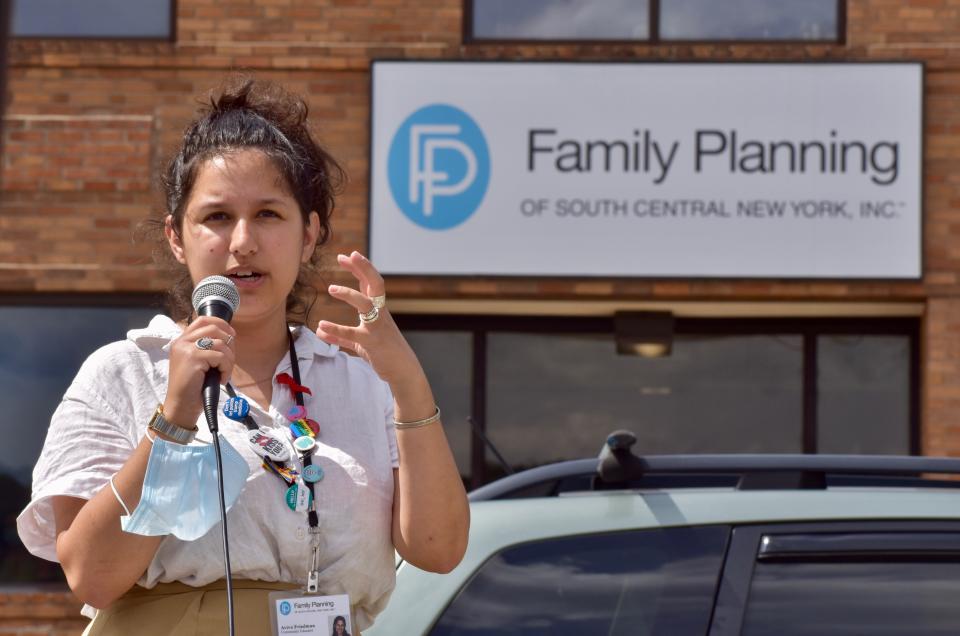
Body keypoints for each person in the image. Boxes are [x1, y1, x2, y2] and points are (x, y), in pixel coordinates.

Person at [16, 77, 469, 635]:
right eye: (217, 217)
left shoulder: (363, 381)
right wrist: (175, 418)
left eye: (270, 215)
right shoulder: (123, 373)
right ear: (177, 237)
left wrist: (409, 385)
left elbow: (439, 550)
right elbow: (91, 575)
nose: (243, 242)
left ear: (310, 235)